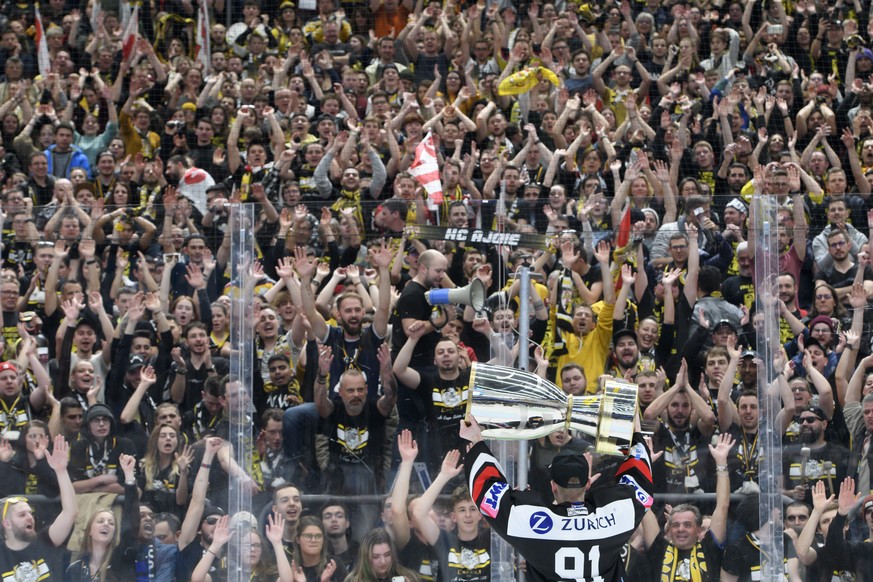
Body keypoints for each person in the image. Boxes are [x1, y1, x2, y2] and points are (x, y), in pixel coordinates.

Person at [460, 413, 654, 581]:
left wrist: (477, 443)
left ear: (552, 486)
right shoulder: (615, 516)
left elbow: (486, 494)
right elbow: (641, 487)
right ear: (587, 483)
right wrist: (636, 434)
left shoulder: (530, 523)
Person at [0, 435, 76, 580]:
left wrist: (61, 471)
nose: (30, 517)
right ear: (6, 523)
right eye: (22, 515)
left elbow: (70, 512)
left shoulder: (44, 541)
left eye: (29, 513)